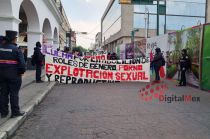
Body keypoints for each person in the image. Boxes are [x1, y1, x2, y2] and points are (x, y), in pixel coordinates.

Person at [0, 30, 26, 118]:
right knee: (14, 94)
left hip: (2, 75)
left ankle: (3, 112)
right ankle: (15, 112)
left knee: (3, 93)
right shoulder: (16, 49)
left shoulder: (0, 48)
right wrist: (21, 72)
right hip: (14, 76)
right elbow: (22, 64)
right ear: (14, 39)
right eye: (16, 38)